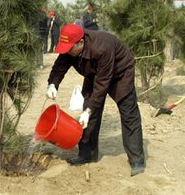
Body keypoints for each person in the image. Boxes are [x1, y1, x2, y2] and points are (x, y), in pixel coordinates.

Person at [46, 23, 145, 176]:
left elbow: (102, 84)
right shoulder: (70, 47)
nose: (67, 51)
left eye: (70, 48)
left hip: (120, 72)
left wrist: (89, 110)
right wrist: (52, 84)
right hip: (95, 73)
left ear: (81, 42)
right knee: (89, 114)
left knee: (129, 114)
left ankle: (137, 160)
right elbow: (60, 66)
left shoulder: (101, 48)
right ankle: (87, 154)